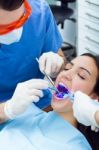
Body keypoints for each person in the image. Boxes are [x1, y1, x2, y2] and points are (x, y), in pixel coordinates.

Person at [1, 53, 99, 150]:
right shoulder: (25, 111)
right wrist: (7, 110)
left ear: (94, 98)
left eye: (81, 76)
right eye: (67, 68)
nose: (66, 74)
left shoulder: (77, 146)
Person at [0, 0, 65, 123]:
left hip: (39, 103)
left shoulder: (40, 12)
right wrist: (8, 110)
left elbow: (60, 56)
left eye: (18, 23)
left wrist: (57, 65)